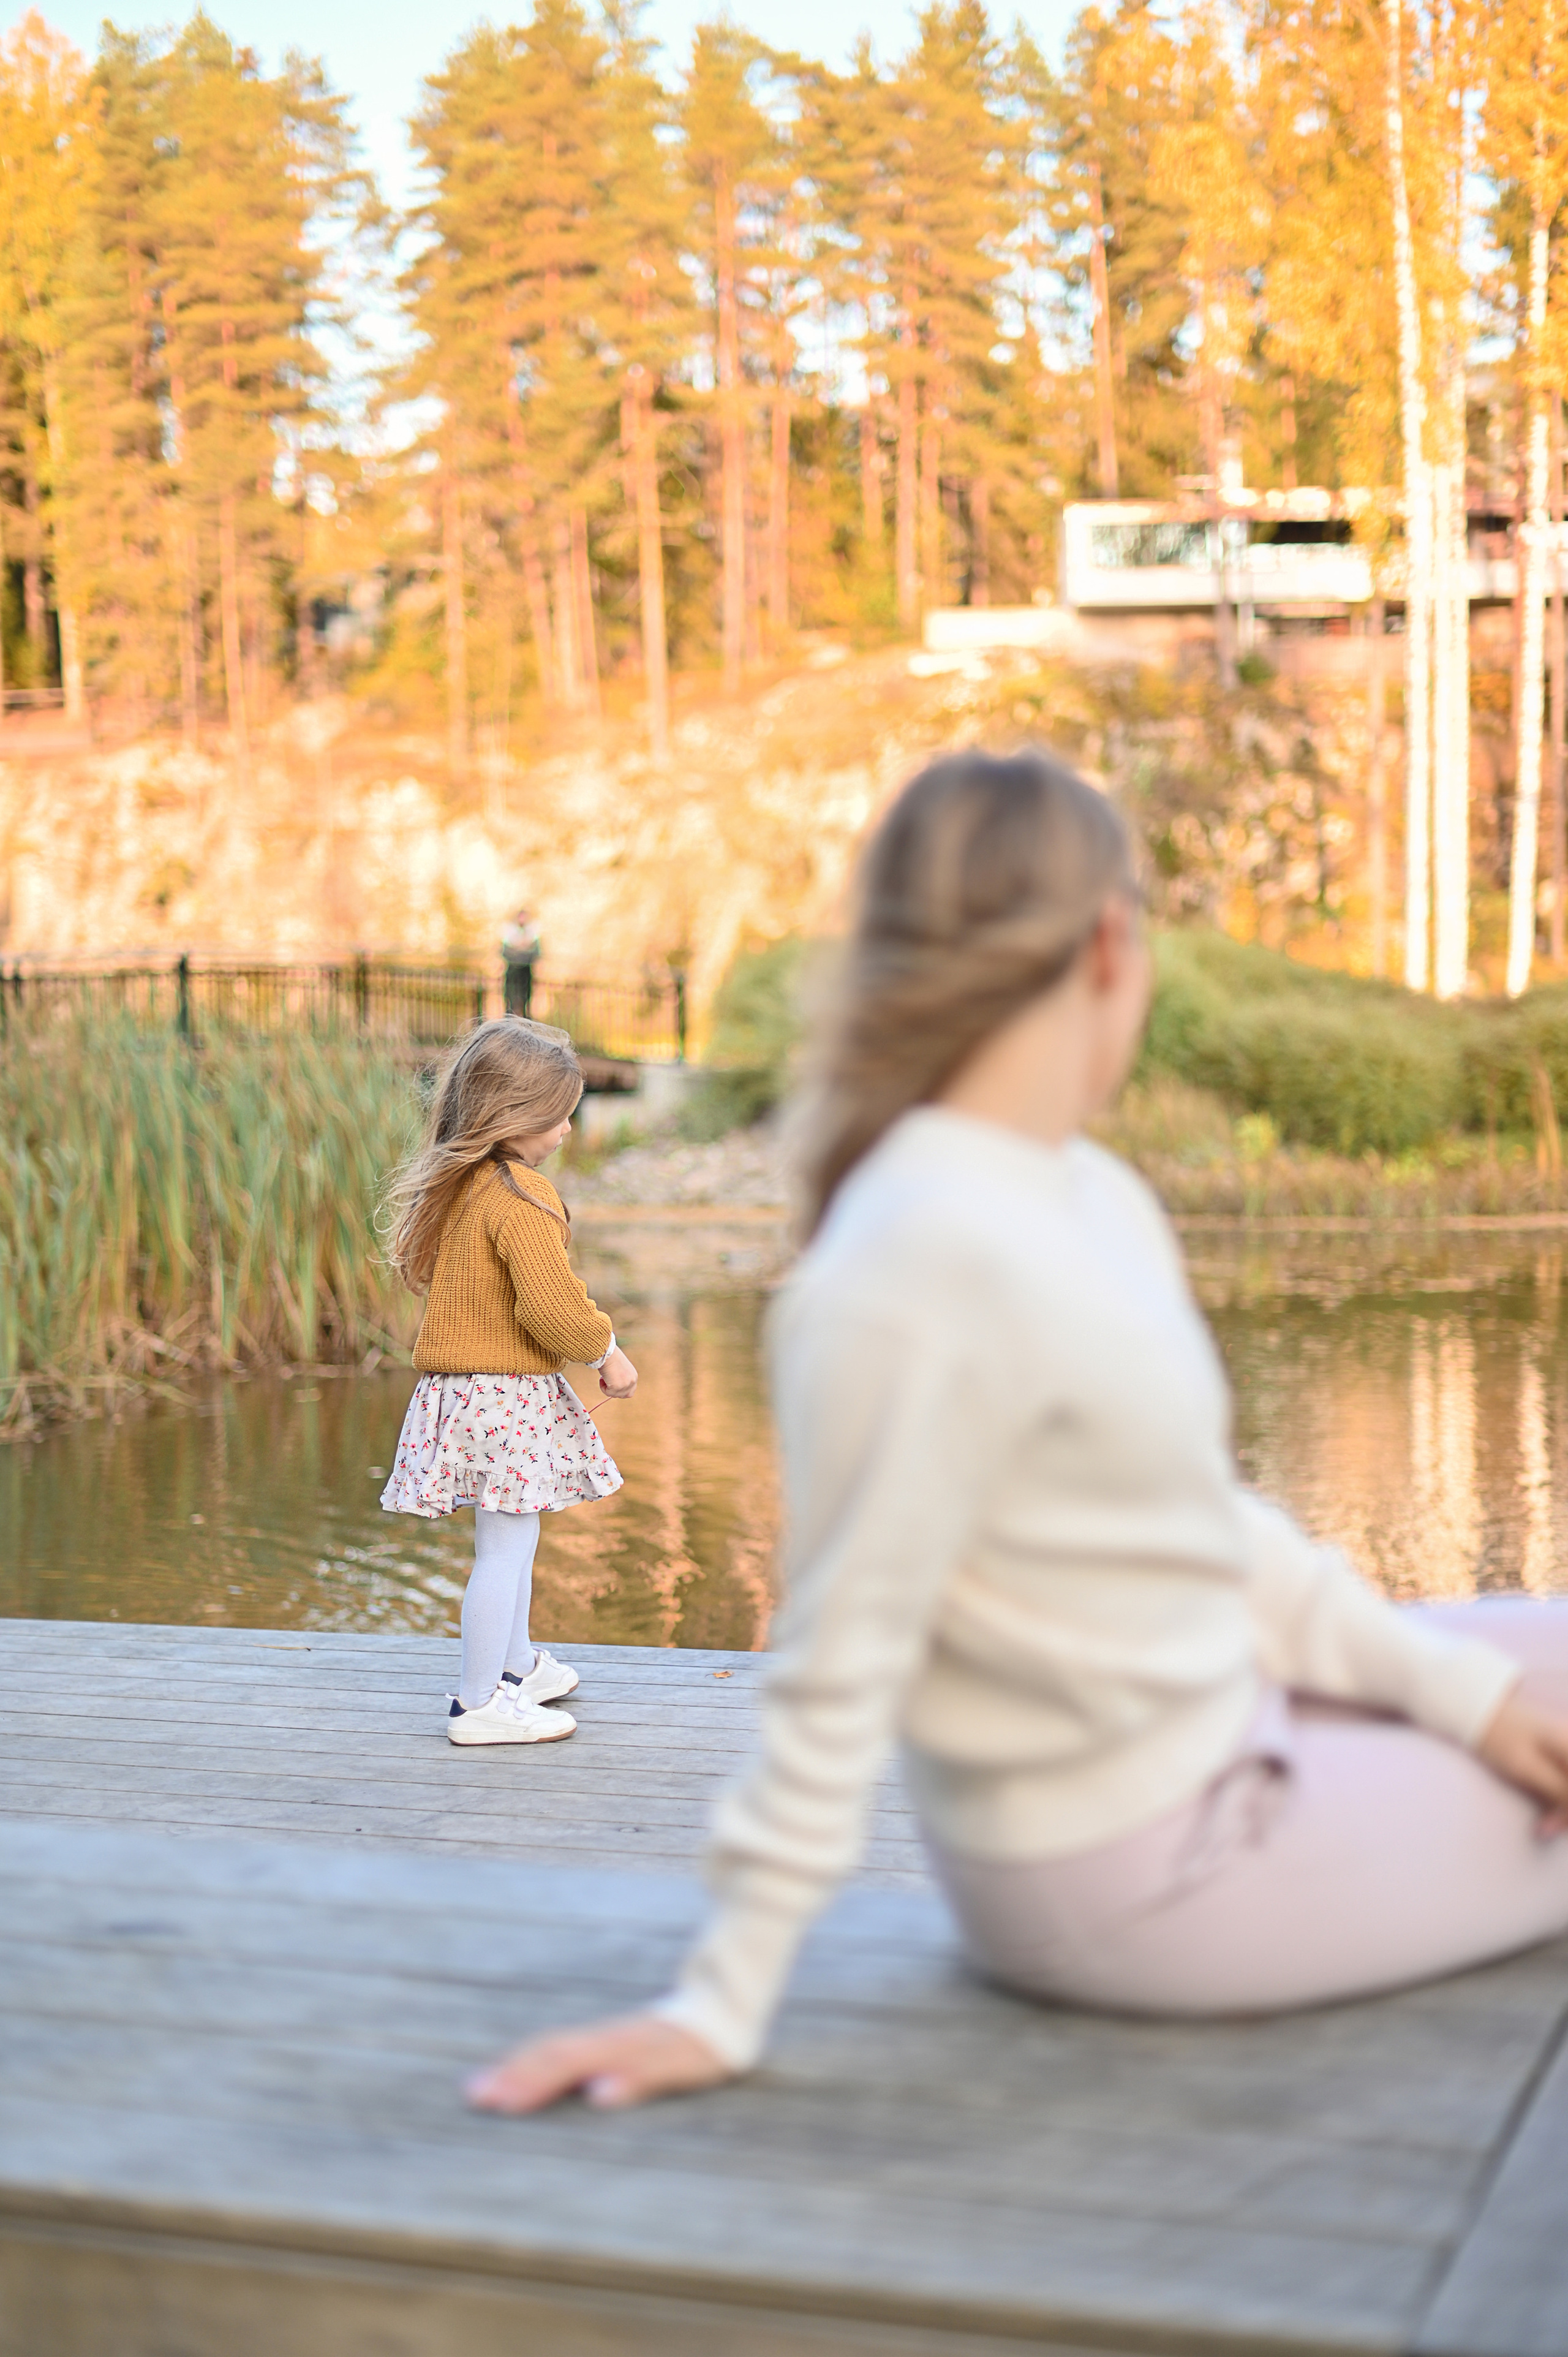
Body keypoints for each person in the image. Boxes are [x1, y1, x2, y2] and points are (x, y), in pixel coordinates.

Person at [467, 749, 1568, 2109]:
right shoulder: (908, 1262)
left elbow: (1208, 1536)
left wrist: (1456, 1698)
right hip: (1140, 1876)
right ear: (1112, 943)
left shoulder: (1086, 1194)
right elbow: (835, 1665)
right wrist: (721, 2002)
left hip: (1221, 1733)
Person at [382, 1016, 638, 1745]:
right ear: (514, 1115)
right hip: (504, 1394)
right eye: (557, 1115)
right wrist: (607, 1353)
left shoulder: (463, 1184)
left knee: (510, 1540)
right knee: (505, 1550)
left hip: (463, 1393)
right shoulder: (522, 1195)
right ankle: (477, 1704)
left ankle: (520, 1667)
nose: (565, 1129)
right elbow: (552, 1305)